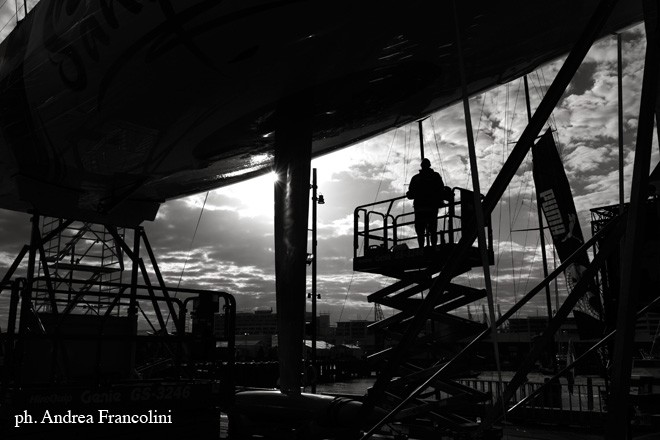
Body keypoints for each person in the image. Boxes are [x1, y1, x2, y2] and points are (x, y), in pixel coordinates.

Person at [406, 158, 446, 248]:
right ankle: (433, 246)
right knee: (432, 230)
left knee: (421, 231)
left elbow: (410, 194)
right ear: (429, 165)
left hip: (421, 208)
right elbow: (441, 190)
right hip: (431, 208)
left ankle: (422, 247)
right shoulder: (435, 176)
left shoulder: (416, 178)